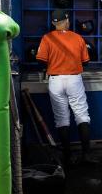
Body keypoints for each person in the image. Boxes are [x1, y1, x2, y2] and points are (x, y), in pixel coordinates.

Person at [36, 9, 95, 165]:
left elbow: (41, 61)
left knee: (62, 119)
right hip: (74, 79)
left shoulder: (47, 38)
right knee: (82, 115)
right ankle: (86, 155)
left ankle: (67, 157)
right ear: (67, 21)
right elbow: (86, 62)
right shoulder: (77, 38)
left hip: (55, 80)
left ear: (54, 23)